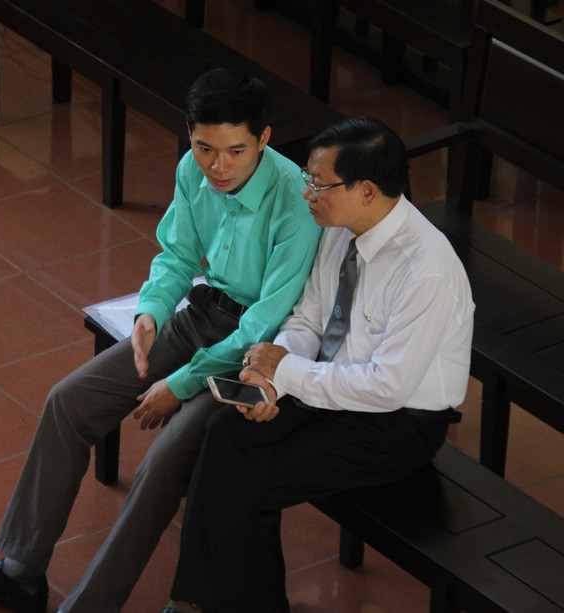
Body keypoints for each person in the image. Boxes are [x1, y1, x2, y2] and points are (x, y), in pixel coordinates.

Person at [0, 67, 322, 613]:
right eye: (205, 148)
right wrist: (151, 312)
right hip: (199, 316)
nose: (218, 166)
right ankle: (21, 572)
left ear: (264, 138)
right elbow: (178, 257)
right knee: (68, 401)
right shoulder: (192, 170)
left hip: (251, 355)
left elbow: (263, 322)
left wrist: (178, 386)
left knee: (160, 465)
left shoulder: (296, 202)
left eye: (235, 151)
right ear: (190, 134)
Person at [162, 116, 475, 613]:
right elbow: (310, 317)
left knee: (246, 481)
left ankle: (206, 605)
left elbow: (386, 387)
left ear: (366, 189)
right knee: (227, 431)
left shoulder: (427, 271)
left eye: (319, 183)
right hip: (327, 385)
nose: (307, 193)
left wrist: (286, 372)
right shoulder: (339, 228)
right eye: (308, 178)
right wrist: (270, 380)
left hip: (396, 424)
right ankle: (202, 603)